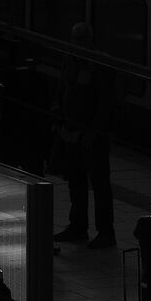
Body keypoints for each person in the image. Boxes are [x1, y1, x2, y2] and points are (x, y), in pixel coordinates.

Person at [53, 22, 120, 248]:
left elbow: (106, 102)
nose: (78, 44)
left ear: (91, 40)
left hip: (93, 137)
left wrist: (94, 131)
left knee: (99, 184)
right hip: (71, 132)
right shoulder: (69, 59)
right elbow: (62, 89)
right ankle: (78, 225)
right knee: (76, 180)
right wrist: (59, 119)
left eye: (82, 39)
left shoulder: (100, 65)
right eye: (75, 39)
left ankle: (105, 232)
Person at [0, 41, 52, 176]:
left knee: (4, 174)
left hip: (6, 139)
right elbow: (43, 115)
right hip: (31, 140)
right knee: (33, 176)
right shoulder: (39, 82)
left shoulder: (4, 79)